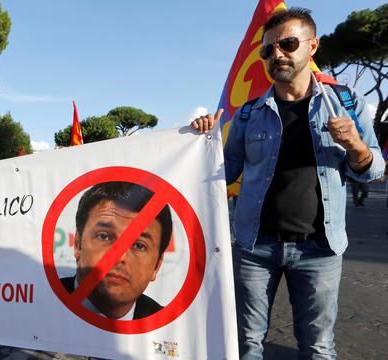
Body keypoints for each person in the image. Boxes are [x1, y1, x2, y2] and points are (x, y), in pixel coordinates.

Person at [191, 8, 384, 359]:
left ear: (312, 46)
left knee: (318, 346)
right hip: (254, 248)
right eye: (268, 50)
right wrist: (203, 138)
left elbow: (372, 170)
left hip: (320, 249)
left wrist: (355, 145)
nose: (276, 54)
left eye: (288, 44)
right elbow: (223, 172)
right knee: (246, 342)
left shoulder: (344, 103)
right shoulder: (249, 113)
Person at [60, 181, 172, 320]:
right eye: (104, 236)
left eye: (139, 245)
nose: (120, 257)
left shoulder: (172, 328)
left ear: (157, 266)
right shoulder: (37, 304)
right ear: (78, 244)